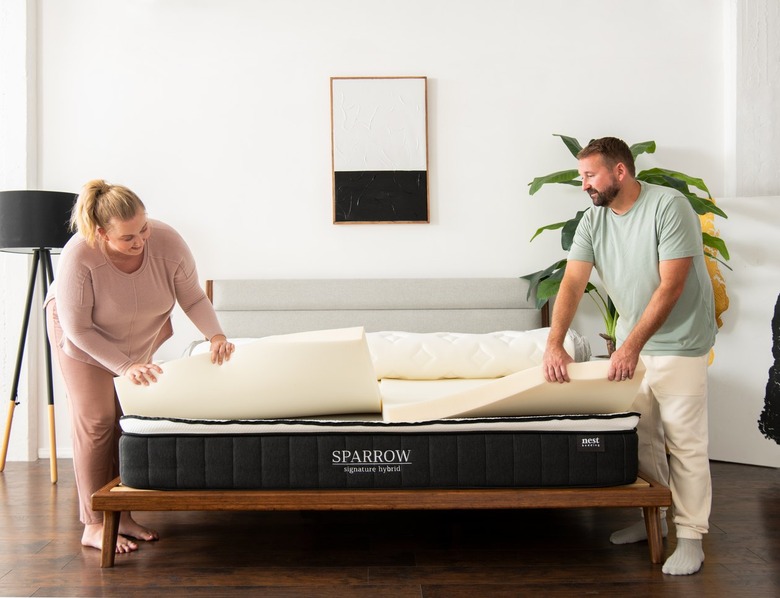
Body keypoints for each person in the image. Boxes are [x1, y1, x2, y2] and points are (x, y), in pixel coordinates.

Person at [542, 137, 717, 576]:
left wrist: (631, 346)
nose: (584, 184)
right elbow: (572, 282)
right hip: (631, 345)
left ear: (620, 171)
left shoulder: (669, 206)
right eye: (581, 176)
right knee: (644, 439)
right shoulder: (593, 220)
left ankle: (691, 536)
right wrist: (554, 342)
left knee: (684, 443)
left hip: (679, 343)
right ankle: (654, 519)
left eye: (590, 175)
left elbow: (672, 286)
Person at [44, 179, 235, 554]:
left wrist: (215, 335)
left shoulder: (168, 242)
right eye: (128, 237)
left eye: (144, 228)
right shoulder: (79, 256)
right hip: (82, 338)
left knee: (124, 420)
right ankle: (94, 524)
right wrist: (125, 365)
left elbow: (193, 298)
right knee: (96, 421)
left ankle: (122, 515)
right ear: (101, 233)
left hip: (136, 333)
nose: (141, 241)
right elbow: (78, 329)